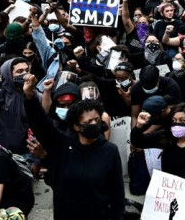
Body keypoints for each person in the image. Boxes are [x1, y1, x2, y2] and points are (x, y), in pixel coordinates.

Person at [22, 73, 125, 220]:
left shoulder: (110, 151)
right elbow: (40, 124)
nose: (94, 125)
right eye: (87, 122)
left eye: (96, 120)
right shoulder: (62, 145)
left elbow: (117, 194)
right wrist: (29, 95)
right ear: (76, 127)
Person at [132, 103, 185, 219]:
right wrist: (138, 126)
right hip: (169, 191)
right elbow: (138, 142)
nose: (177, 124)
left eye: (182, 120)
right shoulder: (167, 137)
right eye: (174, 120)